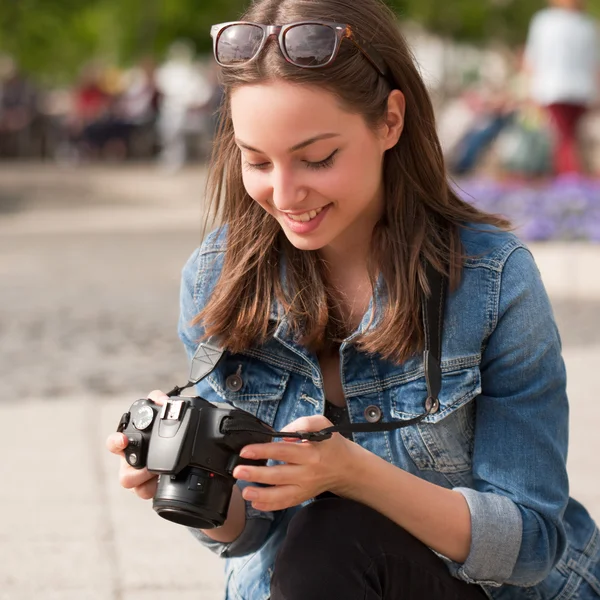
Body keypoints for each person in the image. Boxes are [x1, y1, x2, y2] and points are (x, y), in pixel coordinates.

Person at [106, 0, 600, 598]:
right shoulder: (220, 277)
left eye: (317, 158)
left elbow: (530, 545)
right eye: (256, 160)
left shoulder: (493, 279)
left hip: (483, 589)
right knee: (316, 544)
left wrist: (354, 474)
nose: (285, 194)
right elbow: (249, 533)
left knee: (332, 534)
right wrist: (186, 478)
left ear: (390, 121)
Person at [523, 0, 600, 175]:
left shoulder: (544, 21)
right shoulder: (587, 23)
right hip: (581, 89)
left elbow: (533, 58)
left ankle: (570, 179)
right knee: (569, 136)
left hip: (553, 88)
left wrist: (529, 89)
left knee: (564, 138)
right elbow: (595, 64)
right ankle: (573, 178)